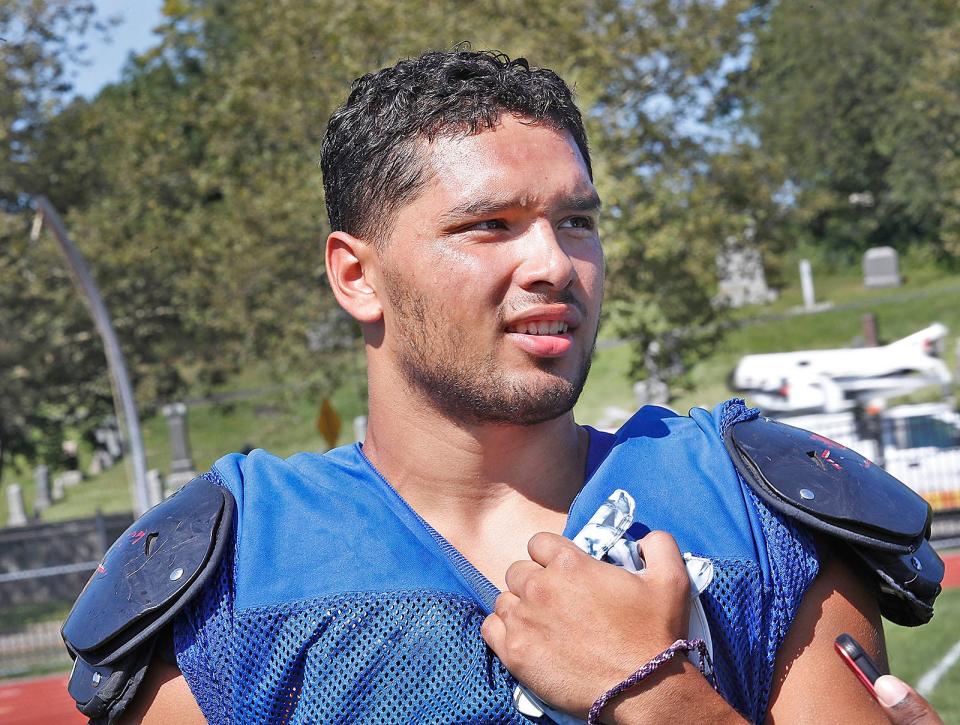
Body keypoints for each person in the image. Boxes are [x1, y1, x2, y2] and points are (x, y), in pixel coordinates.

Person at [65, 50, 940, 724]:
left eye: (577, 221)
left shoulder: (753, 505)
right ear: (355, 275)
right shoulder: (231, 575)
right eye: (490, 226)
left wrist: (657, 692)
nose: (555, 264)